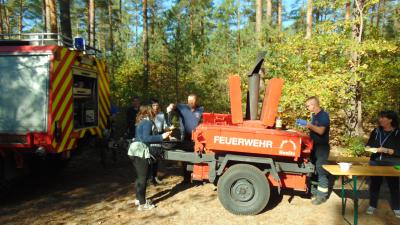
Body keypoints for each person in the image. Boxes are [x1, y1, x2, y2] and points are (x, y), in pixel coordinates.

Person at [129, 105, 171, 211]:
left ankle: (138, 199)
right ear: (149, 112)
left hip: (134, 150)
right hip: (140, 151)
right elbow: (146, 138)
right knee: (143, 178)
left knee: (139, 177)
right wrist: (162, 137)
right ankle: (142, 204)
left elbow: (141, 137)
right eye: (153, 111)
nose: (155, 113)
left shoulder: (141, 121)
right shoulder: (147, 122)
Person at [365, 110, 400, 218]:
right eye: (380, 117)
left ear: (390, 119)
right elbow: (369, 144)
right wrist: (368, 148)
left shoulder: (398, 133)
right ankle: (372, 205)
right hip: (375, 161)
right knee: (374, 184)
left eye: (383, 117)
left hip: (392, 162)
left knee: (394, 186)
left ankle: (397, 207)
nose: (380, 119)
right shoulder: (375, 131)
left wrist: (387, 150)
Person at [304, 96, 330, 205]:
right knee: (313, 170)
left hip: (322, 148)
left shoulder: (323, 115)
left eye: (308, 106)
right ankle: (314, 192)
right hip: (314, 147)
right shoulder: (314, 116)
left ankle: (322, 196)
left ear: (313, 105)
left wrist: (309, 125)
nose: (307, 108)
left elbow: (321, 131)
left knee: (321, 171)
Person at [175, 94, 204, 183]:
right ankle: (186, 178)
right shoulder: (182, 107)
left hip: (197, 138)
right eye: (189, 100)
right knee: (185, 158)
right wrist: (171, 107)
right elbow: (173, 108)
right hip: (185, 137)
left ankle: (196, 177)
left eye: (193, 100)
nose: (190, 102)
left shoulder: (201, 109)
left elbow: (203, 121)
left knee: (197, 157)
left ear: (196, 101)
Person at [149, 99, 168, 185]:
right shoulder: (148, 115)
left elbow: (164, 126)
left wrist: (168, 129)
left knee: (156, 158)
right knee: (150, 158)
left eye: (157, 105)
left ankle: (155, 177)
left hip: (159, 137)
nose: (156, 107)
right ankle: (150, 177)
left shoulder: (161, 115)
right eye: (154, 105)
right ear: (151, 106)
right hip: (150, 137)